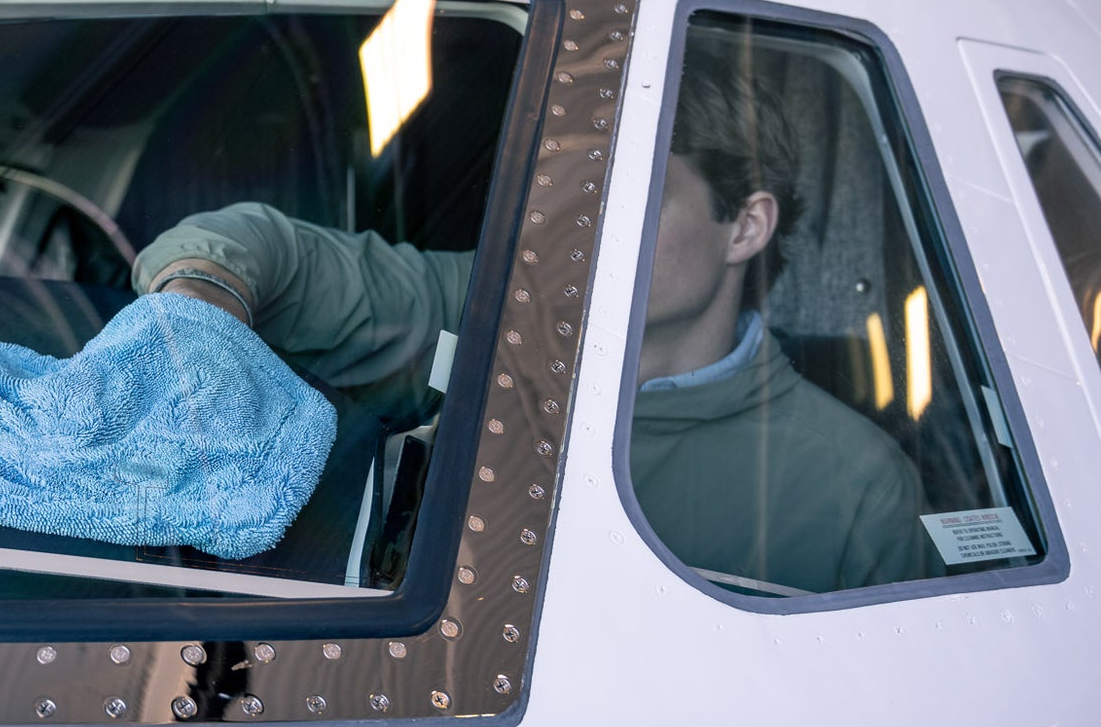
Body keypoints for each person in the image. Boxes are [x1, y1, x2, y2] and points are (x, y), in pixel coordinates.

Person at [132, 49, 934, 595]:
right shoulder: (496, 312)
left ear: (746, 227)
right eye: (578, 197)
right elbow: (265, 249)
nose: (583, 232)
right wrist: (199, 304)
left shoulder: (854, 487)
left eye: (638, 198)